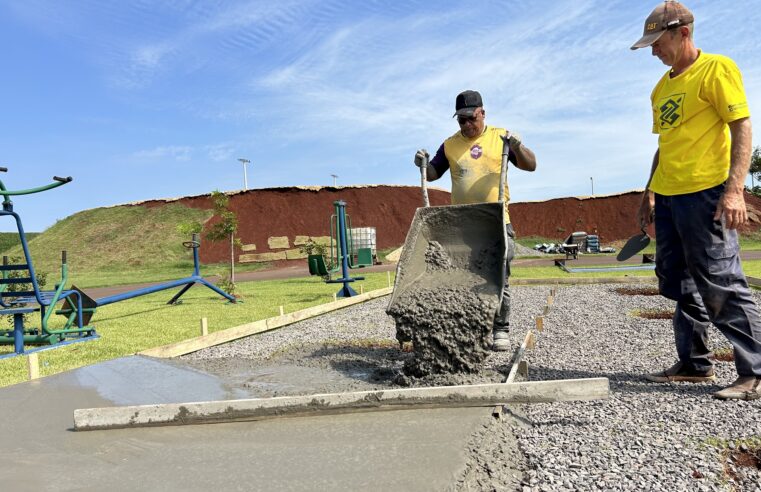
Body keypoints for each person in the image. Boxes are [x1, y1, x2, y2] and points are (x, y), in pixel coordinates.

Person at [632, 1, 761, 400]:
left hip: (706, 193)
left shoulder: (716, 69)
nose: (654, 50)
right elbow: (664, 145)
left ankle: (754, 371)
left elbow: (741, 127)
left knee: (721, 281)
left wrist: (734, 190)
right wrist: (649, 190)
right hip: (669, 196)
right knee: (678, 281)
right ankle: (694, 363)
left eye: (658, 42)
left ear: (683, 32)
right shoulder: (661, 87)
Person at [414, 90, 536, 351]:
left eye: (471, 118)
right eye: (461, 120)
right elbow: (434, 173)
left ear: (483, 113)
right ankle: (469, 328)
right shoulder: (450, 145)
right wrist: (423, 164)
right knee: (461, 277)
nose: (467, 124)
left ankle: (500, 329)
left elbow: (530, 165)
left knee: (497, 275)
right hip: (462, 225)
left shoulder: (500, 138)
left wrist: (516, 146)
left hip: (495, 219)